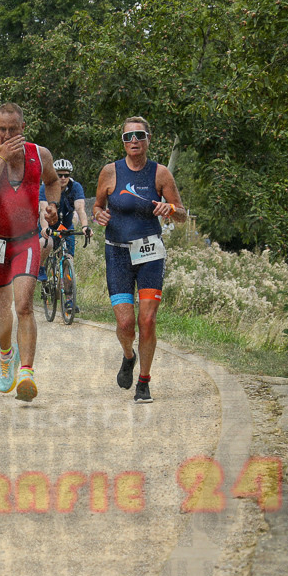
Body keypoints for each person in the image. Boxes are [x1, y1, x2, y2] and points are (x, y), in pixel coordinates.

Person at [0, 103, 60, 402]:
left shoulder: (39, 154)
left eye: (12, 129)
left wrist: (53, 205)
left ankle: (27, 373)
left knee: (23, 305)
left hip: (26, 240)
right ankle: (7, 355)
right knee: (1, 304)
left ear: (23, 127)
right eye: (1, 129)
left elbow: (53, 181)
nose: (7, 134)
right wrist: (1, 160)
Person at [92, 116, 186, 404]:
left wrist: (169, 207)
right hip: (118, 252)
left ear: (148, 139)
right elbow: (98, 206)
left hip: (149, 254)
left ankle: (143, 383)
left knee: (147, 320)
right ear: (122, 142)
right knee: (125, 325)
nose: (133, 141)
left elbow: (182, 214)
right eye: (128, 137)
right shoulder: (110, 172)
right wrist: (99, 215)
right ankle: (128, 356)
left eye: (139, 136)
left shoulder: (160, 175)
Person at [38, 158, 92, 313]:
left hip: (66, 227)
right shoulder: (45, 187)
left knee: (68, 262)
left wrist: (85, 226)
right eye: (59, 175)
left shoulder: (75, 188)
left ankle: (69, 301)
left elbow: (80, 209)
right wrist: (45, 228)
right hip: (48, 225)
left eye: (66, 175)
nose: (62, 178)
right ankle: (41, 268)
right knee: (46, 243)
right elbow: (43, 210)